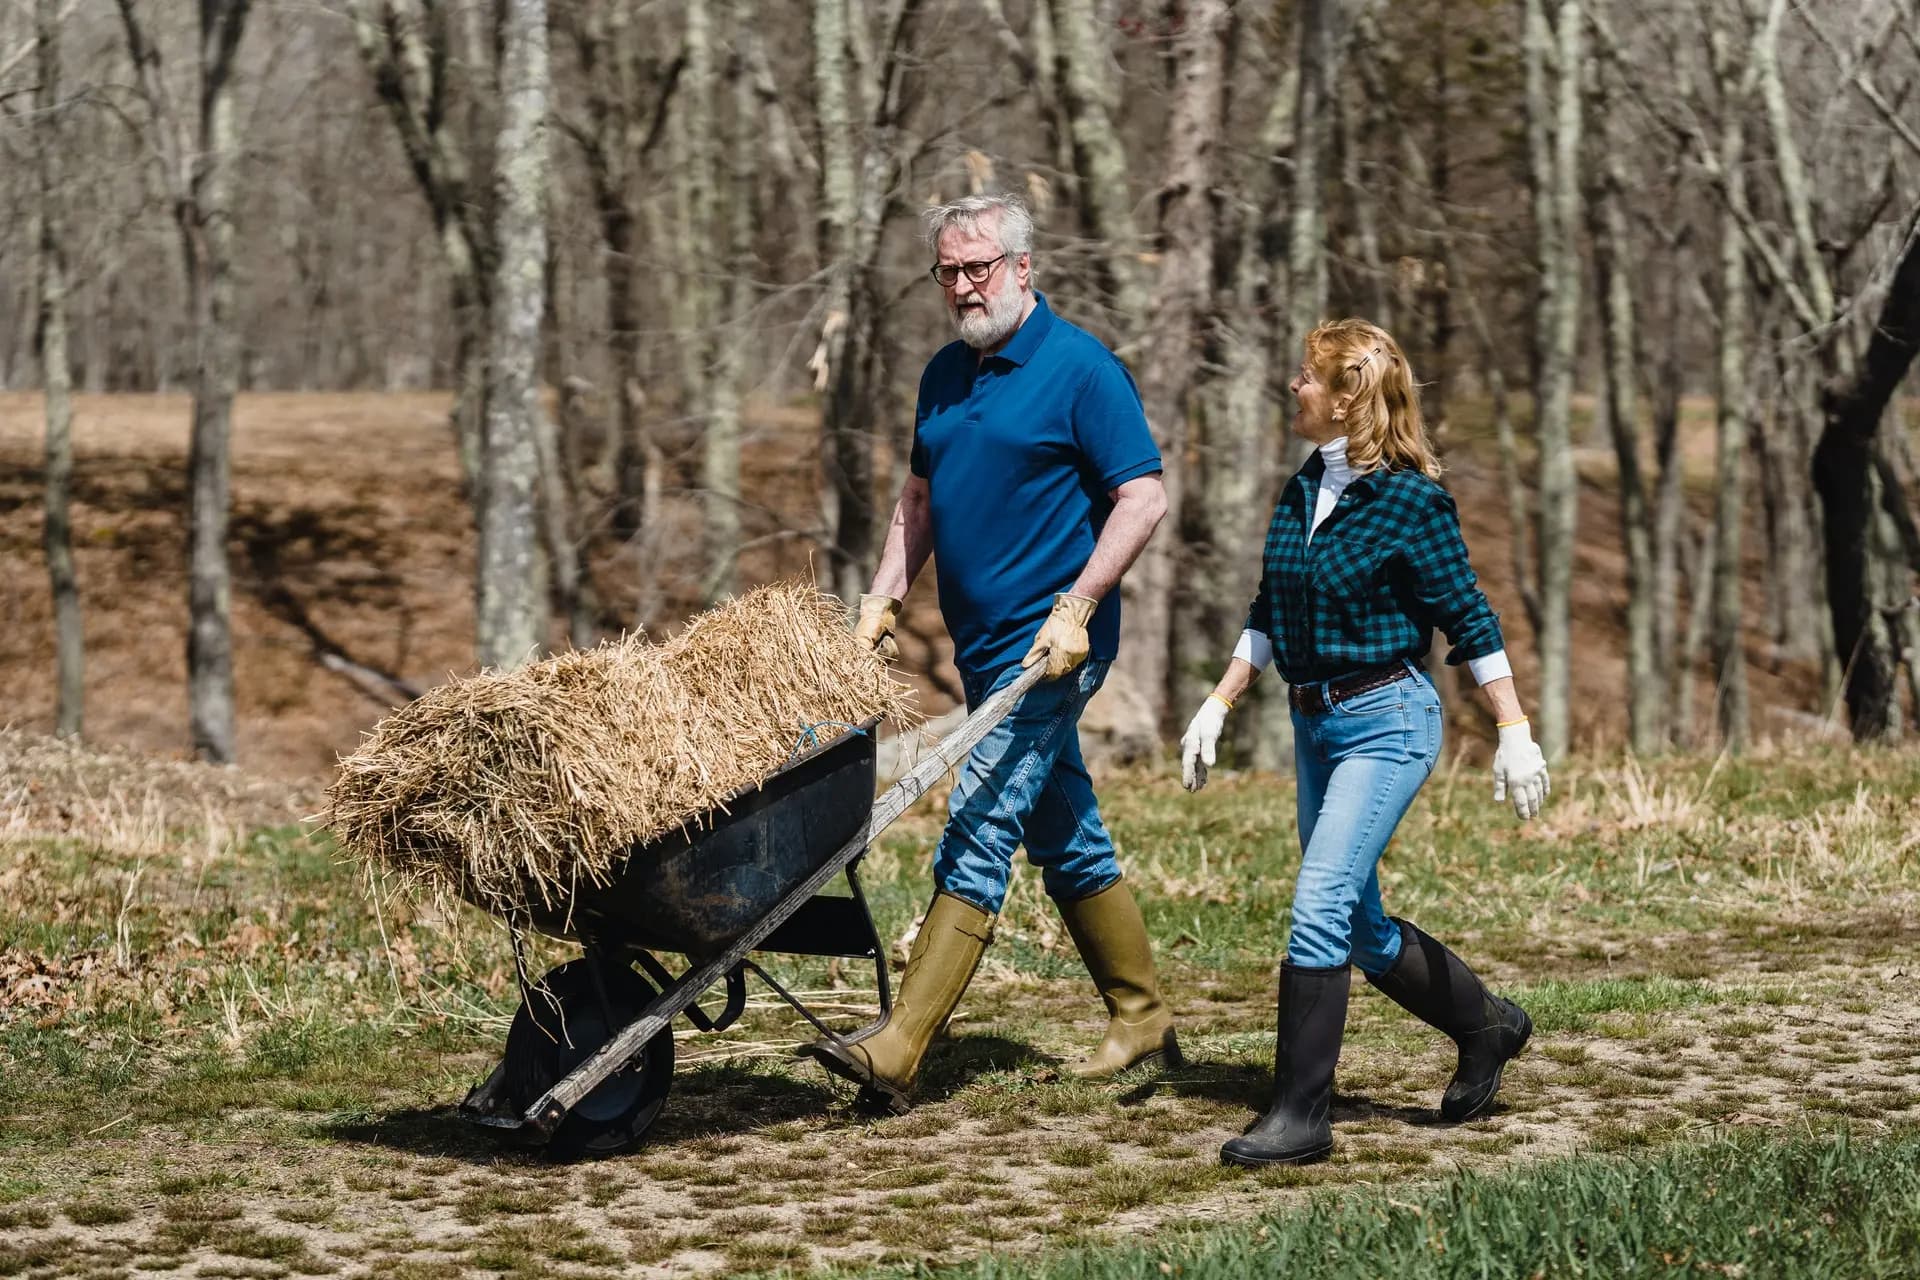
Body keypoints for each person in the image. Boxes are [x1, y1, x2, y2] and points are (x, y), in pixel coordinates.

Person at [802, 193, 1181, 1113]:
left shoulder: (1081, 369)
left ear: (1022, 267)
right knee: (1061, 826)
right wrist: (884, 594)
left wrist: (1078, 607)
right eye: (949, 271)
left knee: (979, 818)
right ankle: (1143, 1018)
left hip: (1052, 648)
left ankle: (899, 1048)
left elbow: (1144, 499)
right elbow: (919, 499)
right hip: (980, 647)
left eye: (980, 267)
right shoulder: (945, 373)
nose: (965, 286)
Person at [1179, 318, 1550, 1167]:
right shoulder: (1303, 486)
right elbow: (1271, 612)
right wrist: (1220, 701)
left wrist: (1514, 727)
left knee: (1316, 908)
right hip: (1315, 723)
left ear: (1349, 397)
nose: (1293, 388)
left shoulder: (1413, 503)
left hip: (1388, 722)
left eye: (1306, 379)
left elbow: (1471, 617)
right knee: (1354, 924)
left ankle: (1300, 1119)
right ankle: (1487, 1026)